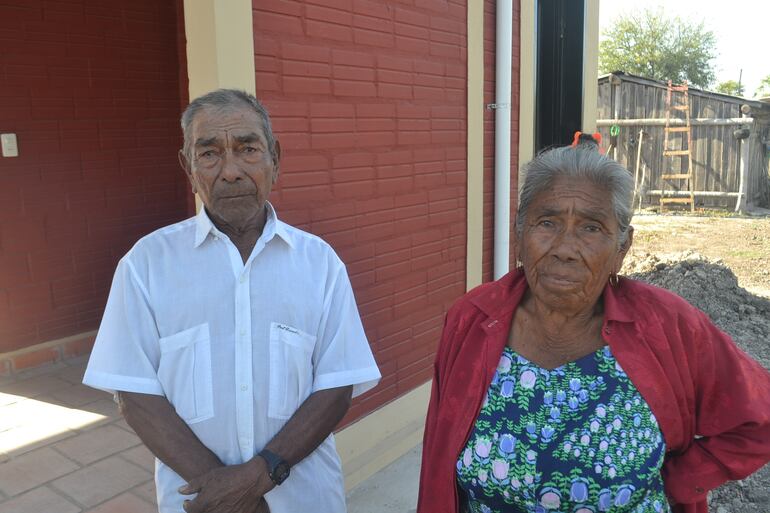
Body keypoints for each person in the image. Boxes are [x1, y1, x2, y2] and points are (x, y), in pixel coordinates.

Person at [417, 143, 770, 513]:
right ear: (520, 235)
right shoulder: (472, 320)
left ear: (622, 247)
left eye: (591, 227)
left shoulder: (668, 327)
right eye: (547, 222)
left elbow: (759, 418)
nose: (565, 248)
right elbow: (438, 456)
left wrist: (681, 481)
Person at [83, 89, 381, 513]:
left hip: (305, 499)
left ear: (274, 158)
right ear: (189, 167)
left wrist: (258, 477)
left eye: (248, 149)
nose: (231, 171)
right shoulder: (145, 264)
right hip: (200, 502)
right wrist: (224, 493)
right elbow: (135, 394)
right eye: (209, 154)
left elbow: (337, 385)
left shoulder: (320, 263)